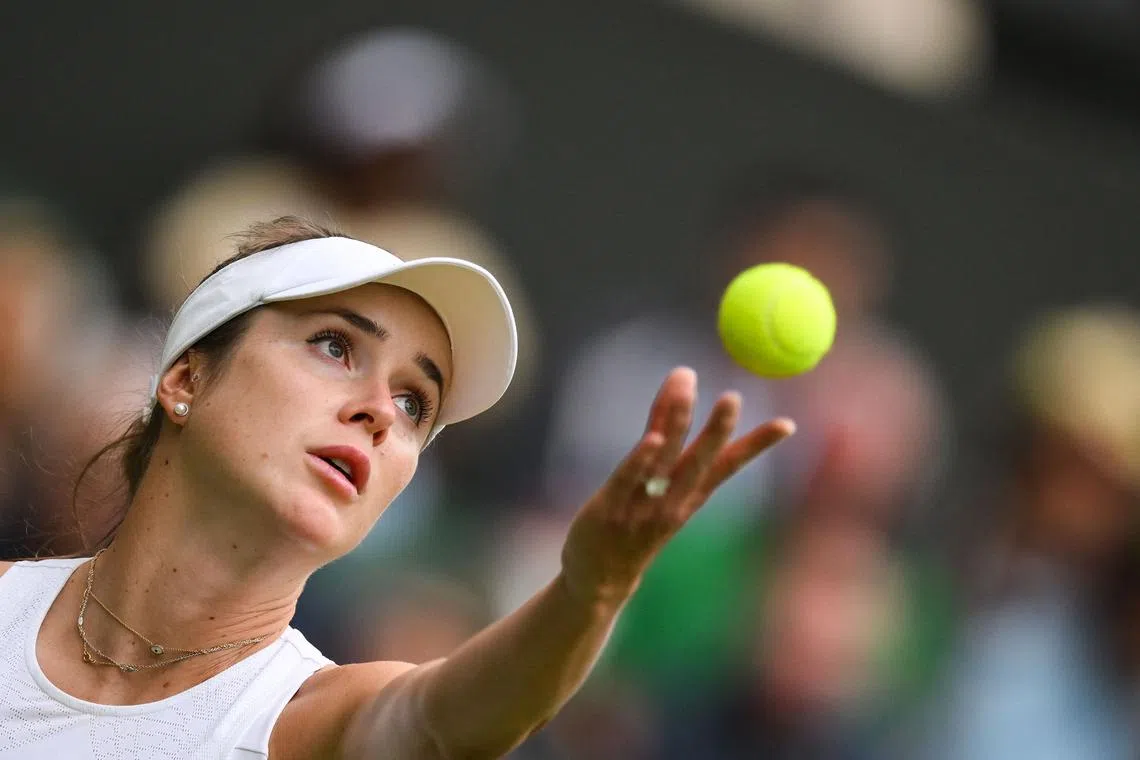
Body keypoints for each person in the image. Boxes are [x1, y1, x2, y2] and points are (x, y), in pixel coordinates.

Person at [0, 216, 794, 759]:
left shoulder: (321, 724)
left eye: (417, 402)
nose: (381, 411)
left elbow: (455, 720)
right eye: (335, 346)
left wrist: (592, 590)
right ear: (185, 379)